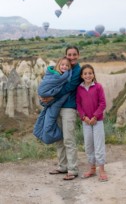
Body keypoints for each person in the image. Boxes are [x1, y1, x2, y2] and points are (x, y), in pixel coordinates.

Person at [45, 46, 82, 180]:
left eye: (74, 54)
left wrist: (51, 96)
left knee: (68, 139)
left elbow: (69, 87)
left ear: (78, 55)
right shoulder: (64, 68)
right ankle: (62, 166)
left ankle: (72, 169)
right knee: (59, 138)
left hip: (69, 108)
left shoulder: (77, 70)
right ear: (65, 55)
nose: (72, 57)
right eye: (69, 55)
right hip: (56, 107)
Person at [76, 64, 108, 182]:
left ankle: (102, 170)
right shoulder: (79, 89)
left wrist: (95, 116)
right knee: (89, 145)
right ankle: (92, 169)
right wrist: (83, 117)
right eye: (85, 74)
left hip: (97, 121)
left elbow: (102, 103)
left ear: (93, 74)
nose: (88, 75)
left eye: (90, 73)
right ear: (82, 76)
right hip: (86, 122)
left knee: (99, 145)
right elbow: (78, 104)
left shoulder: (98, 87)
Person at [33, 56, 72, 144]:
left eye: (67, 65)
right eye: (62, 64)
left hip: (56, 102)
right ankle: (55, 135)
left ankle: (53, 135)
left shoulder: (67, 76)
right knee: (48, 120)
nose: (64, 67)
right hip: (48, 99)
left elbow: (64, 90)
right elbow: (44, 86)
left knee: (49, 122)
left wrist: (53, 96)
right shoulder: (53, 74)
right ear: (58, 65)